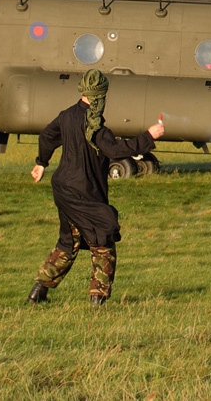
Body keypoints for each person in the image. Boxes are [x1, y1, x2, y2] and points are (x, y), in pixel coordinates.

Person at [27, 69, 165, 306]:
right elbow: (115, 151)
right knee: (103, 242)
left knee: (69, 242)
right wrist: (149, 136)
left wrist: (41, 163)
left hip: (63, 189)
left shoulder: (67, 116)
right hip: (84, 193)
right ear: (101, 95)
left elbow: (47, 136)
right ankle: (97, 300)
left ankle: (38, 291)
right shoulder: (97, 128)